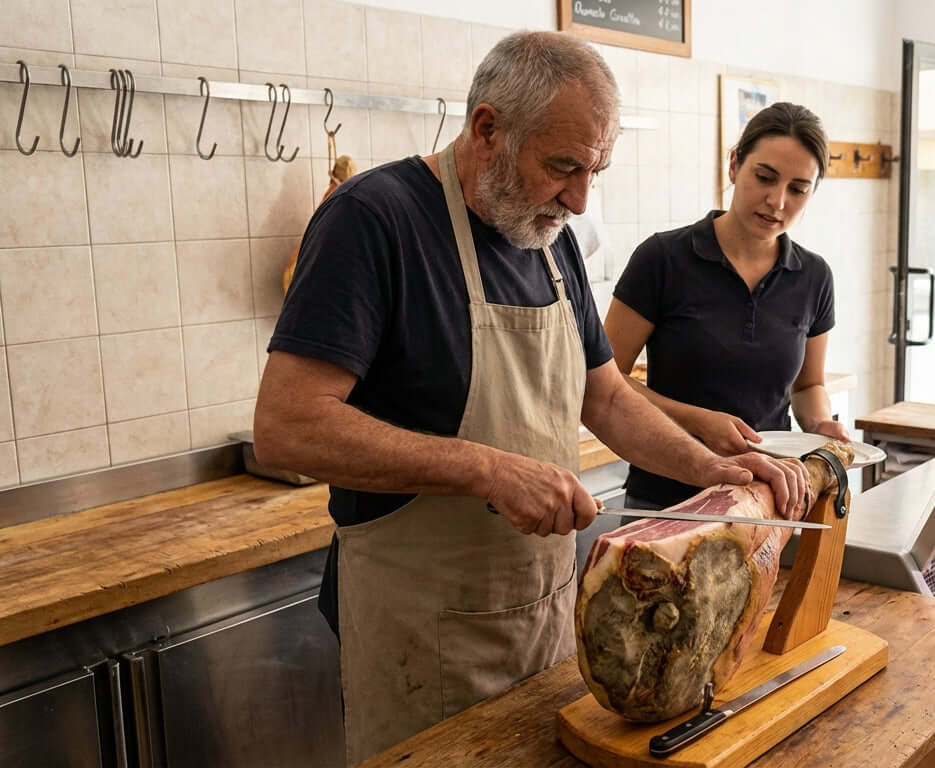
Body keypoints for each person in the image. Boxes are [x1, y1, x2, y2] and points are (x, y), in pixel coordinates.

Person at [252, 31, 807, 766]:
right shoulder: (374, 220)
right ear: (487, 130)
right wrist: (486, 468)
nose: (579, 199)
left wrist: (715, 470)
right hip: (421, 634)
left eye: (594, 171)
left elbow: (604, 397)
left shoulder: (549, 238)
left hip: (542, 622)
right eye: (562, 167)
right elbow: (286, 427)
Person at [602, 102, 848, 511]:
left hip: (768, 502)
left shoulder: (814, 276)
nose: (777, 201)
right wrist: (698, 421)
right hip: (666, 498)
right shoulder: (662, 259)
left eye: (798, 189)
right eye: (764, 177)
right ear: (734, 165)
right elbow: (607, 381)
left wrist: (819, 425)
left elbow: (807, 386)